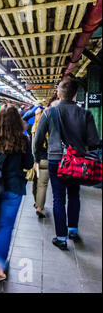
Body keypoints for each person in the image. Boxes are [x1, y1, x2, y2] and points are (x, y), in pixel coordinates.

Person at [34, 77, 100, 250]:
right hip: (77, 161)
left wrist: (38, 156)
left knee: (58, 198)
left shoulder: (49, 112)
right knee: (74, 195)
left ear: (58, 93)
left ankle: (61, 237)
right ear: (75, 95)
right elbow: (94, 142)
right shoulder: (85, 114)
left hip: (56, 160)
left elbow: (38, 139)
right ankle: (72, 230)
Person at [0, 105, 34, 282]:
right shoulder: (23, 140)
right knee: (6, 225)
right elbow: (29, 163)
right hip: (13, 188)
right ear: (18, 121)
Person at [30, 99, 50, 218]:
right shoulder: (50, 130)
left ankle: (36, 201)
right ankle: (39, 206)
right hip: (46, 159)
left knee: (35, 182)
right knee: (43, 185)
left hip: (36, 159)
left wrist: (34, 160)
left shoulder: (34, 130)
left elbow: (34, 146)